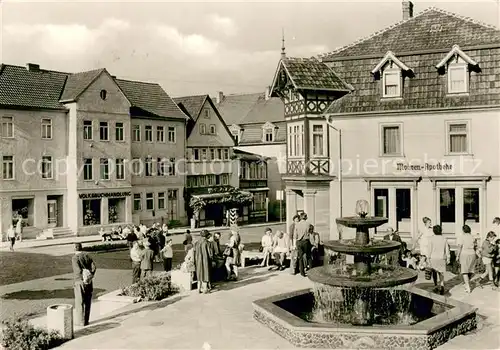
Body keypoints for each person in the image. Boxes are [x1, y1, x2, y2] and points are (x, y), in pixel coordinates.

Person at [72, 243, 96, 327]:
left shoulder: (75, 258)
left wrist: (82, 277)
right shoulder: (87, 256)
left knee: (80, 302)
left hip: (80, 281)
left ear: (75, 249)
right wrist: (90, 275)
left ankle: (80, 322)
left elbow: (77, 270)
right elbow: (94, 267)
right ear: (81, 248)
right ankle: (86, 320)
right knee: (88, 301)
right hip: (89, 281)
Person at [427, 225, 450, 295]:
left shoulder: (431, 239)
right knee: (441, 272)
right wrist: (448, 258)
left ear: (434, 231)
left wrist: (428, 258)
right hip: (441, 258)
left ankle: (436, 285)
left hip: (433, 257)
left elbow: (429, 250)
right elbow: (447, 249)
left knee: (434, 272)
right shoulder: (444, 238)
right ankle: (442, 285)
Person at [457, 225, 477, 293]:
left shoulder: (461, 237)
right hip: (472, 254)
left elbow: (459, 247)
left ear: (463, 230)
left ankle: (467, 286)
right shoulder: (473, 237)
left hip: (464, 254)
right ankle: (466, 283)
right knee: (470, 270)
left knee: (464, 271)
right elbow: (475, 247)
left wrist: (457, 256)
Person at [293, 212, 311, 277]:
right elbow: (310, 233)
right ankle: (311, 271)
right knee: (308, 256)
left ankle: (302, 272)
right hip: (306, 241)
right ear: (306, 217)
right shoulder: (308, 224)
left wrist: (294, 245)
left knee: (300, 258)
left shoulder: (297, 225)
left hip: (299, 242)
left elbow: (295, 236)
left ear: (300, 217)